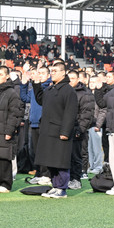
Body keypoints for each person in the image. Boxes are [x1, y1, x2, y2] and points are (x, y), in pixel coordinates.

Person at [32, 62, 78, 199]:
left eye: (55, 71)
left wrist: (65, 132)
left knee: (60, 161)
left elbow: (70, 113)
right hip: (48, 130)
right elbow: (41, 99)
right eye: (51, 71)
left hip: (60, 131)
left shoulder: (68, 90)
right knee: (51, 161)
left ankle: (62, 188)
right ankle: (55, 186)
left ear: (64, 73)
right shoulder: (51, 89)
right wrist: (36, 84)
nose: (52, 73)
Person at [67, 70, 95, 189]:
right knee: (67, 156)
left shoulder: (85, 94)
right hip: (66, 129)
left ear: (78, 79)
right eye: (68, 78)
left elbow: (87, 114)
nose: (70, 81)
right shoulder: (65, 92)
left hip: (78, 130)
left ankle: (76, 179)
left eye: (73, 78)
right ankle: (67, 178)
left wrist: (80, 129)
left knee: (77, 156)